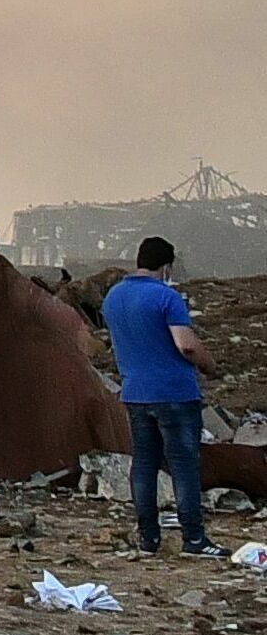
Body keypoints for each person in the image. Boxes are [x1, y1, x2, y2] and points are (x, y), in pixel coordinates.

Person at [107, 235, 215, 557]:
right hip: (174, 393)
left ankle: (148, 537)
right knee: (183, 465)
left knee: (144, 463)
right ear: (166, 266)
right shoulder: (166, 297)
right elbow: (187, 344)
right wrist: (211, 366)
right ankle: (194, 538)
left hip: (136, 393)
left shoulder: (113, 297)